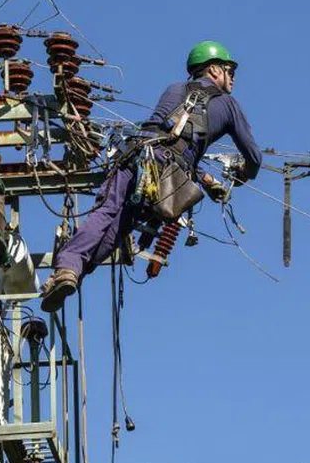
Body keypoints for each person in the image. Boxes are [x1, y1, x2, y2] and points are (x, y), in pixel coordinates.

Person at [39, 40, 262, 311]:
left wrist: (205, 179)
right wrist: (244, 174)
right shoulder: (228, 105)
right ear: (214, 70)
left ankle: (68, 271)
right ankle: (74, 273)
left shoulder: (175, 89)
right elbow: (253, 158)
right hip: (164, 177)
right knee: (117, 230)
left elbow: (167, 138)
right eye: (230, 71)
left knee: (106, 212)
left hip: (136, 155)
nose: (234, 78)